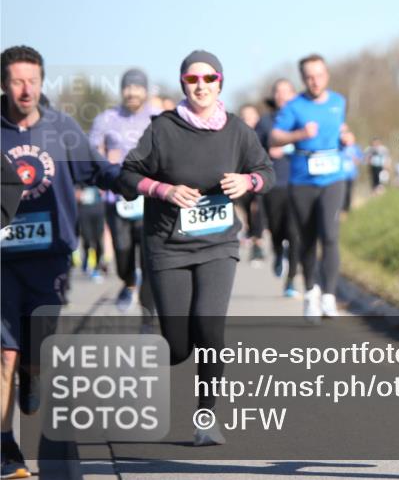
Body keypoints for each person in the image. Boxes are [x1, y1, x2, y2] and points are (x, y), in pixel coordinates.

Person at [119, 50, 274, 446]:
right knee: (176, 345)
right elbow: (127, 174)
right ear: (184, 83)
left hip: (218, 244)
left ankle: (205, 417)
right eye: (192, 79)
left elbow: (265, 171)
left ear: (220, 82)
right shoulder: (163, 129)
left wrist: (248, 183)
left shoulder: (238, 130)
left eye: (209, 78)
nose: (201, 86)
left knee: (210, 327)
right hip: (167, 246)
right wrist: (163, 189)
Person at [1, 46, 121, 479]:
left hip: (49, 263)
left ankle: (32, 378)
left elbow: (99, 171)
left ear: (42, 82)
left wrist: (140, 180)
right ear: (4, 84)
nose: (26, 88)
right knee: (5, 354)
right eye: (16, 80)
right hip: (2, 263)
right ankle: (6, 449)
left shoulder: (62, 129)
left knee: (33, 357)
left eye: (32, 80)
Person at [270, 55, 348, 320]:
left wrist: (346, 136)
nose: (315, 81)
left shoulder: (339, 101)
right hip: (302, 180)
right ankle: (311, 292)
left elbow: (340, 128)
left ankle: (329, 295)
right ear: (303, 79)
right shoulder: (294, 106)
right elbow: (275, 136)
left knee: (330, 234)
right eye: (309, 77)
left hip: (332, 178)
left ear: (326, 75)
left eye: (319, 75)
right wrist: (299, 134)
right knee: (308, 238)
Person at [89, 68, 159, 314]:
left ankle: (148, 316)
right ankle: (128, 282)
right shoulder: (106, 118)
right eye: (127, 87)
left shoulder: (158, 116)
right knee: (122, 250)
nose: (132, 92)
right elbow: (91, 152)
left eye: (137, 87)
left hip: (151, 197)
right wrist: (105, 156)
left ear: (145, 90)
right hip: (116, 196)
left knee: (150, 258)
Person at [256, 79, 300, 296]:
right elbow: (253, 151)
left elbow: (309, 143)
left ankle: (291, 279)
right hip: (274, 184)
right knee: (276, 230)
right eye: (278, 91)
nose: (282, 95)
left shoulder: (300, 119)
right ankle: (276, 253)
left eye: (286, 91)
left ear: (293, 95)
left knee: (294, 233)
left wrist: (287, 147)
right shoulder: (265, 122)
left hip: (299, 183)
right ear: (273, 96)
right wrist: (268, 151)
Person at [237, 103, 267, 265]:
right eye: (244, 118)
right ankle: (249, 235)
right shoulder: (236, 137)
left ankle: (258, 244)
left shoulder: (264, 135)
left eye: (252, 117)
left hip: (261, 180)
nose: (248, 121)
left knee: (257, 208)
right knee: (247, 210)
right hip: (242, 181)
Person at [339, 124, 362, 217]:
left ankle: (346, 210)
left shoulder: (355, 148)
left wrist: (354, 158)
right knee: (341, 192)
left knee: (348, 192)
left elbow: (359, 160)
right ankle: (340, 210)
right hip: (340, 175)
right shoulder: (339, 148)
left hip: (351, 174)